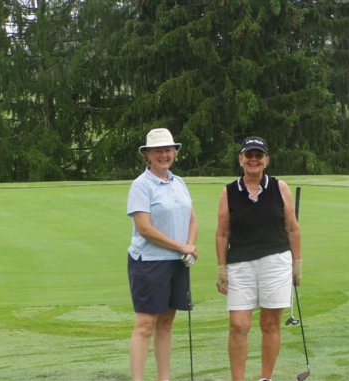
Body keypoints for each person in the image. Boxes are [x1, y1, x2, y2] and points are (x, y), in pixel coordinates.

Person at [215, 136, 302, 381]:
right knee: (239, 325)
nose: (253, 159)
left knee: (270, 324)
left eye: (258, 155)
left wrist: (297, 264)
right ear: (241, 159)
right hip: (240, 264)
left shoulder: (279, 187)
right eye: (249, 155)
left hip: (276, 261)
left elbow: (292, 228)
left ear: (266, 160)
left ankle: (266, 378)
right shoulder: (229, 191)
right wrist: (221, 267)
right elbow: (222, 233)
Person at [126, 128, 198, 381]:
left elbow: (192, 221)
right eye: (158, 151)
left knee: (166, 324)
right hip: (149, 263)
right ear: (147, 155)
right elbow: (145, 229)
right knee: (146, 326)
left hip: (176, 263)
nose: (164, 155)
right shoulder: (141, 185)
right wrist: (181, 247)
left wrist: (189, 246)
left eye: (168, 150)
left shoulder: (178, 182)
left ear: (174, 152)